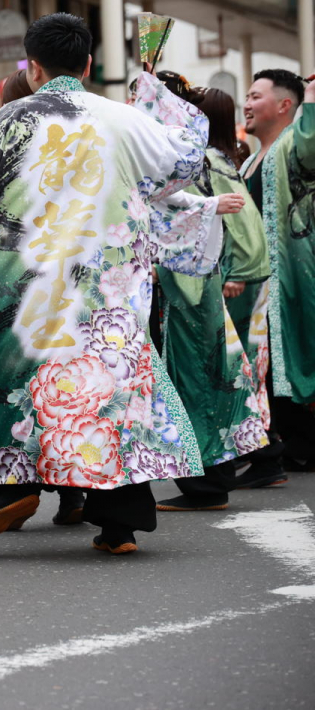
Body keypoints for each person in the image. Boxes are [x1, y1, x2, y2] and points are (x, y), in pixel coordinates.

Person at [0, 13, 245, 554]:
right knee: (111, 392)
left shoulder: (9, 121)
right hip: (107, 290)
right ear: (88, 64)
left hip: (26, 283)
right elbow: (186, 159)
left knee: (24, 385)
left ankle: (16, 483)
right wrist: (151, 95)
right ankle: (118, 523)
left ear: (32, 68)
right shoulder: (119, 118)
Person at [152, 83, 271, 511]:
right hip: (194, 281)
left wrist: (237, 270)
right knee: (219, 374)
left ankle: (212, 481)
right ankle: (220, 472)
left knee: (209, 377)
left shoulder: (200, 159)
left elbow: (233, 215)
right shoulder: (193, 156)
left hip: (199, 283)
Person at [235, 68, 315, 484]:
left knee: (289, 356)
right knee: (265, 363)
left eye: (255, 96)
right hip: (259, 282)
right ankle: (282, 445)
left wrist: (314, 101)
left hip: (291, 274)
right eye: (245, 97)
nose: (246, 104)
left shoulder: (292, 147)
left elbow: (312, 148)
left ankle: (294, 447)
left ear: (285, 105)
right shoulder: (251, 158)